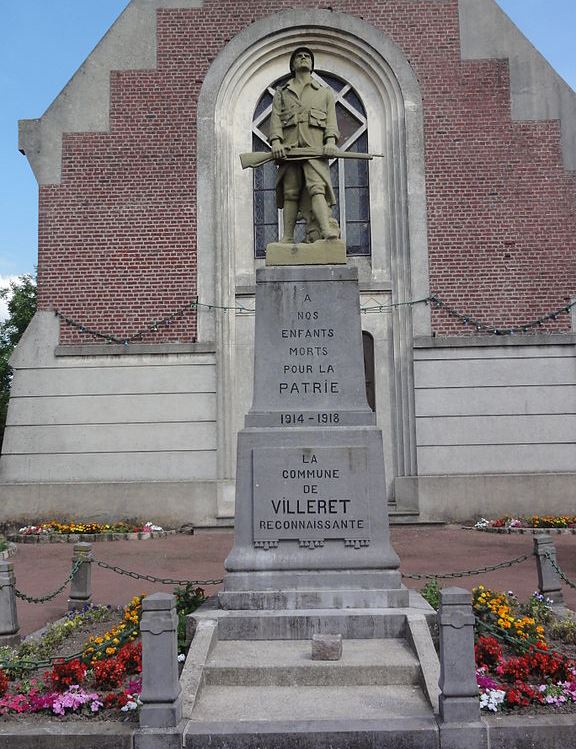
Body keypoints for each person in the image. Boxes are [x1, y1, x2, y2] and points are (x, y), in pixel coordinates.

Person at [269, 47, 340, 243]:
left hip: (314, 150)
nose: (303, 58)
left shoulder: (324, 93)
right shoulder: (282, 93)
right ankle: (287, 237)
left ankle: (326, 230)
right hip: (289, 150)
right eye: (299, 56)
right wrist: (276, 142)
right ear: (292, 65)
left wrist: (331, 141)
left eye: (307, 56)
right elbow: (275, 120)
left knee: (317, 188)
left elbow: (331, 122)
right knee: (290, 192)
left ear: (312, 64)